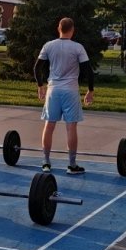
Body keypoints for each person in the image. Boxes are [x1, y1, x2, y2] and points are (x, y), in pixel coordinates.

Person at [33, 17, 95, 175]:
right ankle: (72, 165)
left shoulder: (49, 45)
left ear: (58, 28)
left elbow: (37, 68)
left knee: (49, 125)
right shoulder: (77, 47)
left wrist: (40, 85)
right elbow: (88, 70)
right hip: (70, 91)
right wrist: (90, 90)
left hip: (53, 90)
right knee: (71, 127)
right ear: (72, 30)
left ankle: (46, 162)